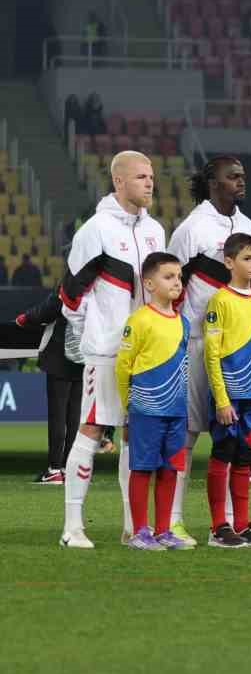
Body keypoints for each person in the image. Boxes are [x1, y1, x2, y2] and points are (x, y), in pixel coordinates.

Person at [60, 150, 166, 550]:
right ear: (119, 181)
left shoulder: (156, 231)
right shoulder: (96, 230)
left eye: (151, 176)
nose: (149, 183)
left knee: (132, 437)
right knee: (90, 429)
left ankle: (131, 527)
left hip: (147, 355)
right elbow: (71, 295)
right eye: (141, 177)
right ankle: (72, 527)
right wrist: (97, 336)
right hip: (106, 352)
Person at [168, 155, 251, 542]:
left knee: (235, 439)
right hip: (195, 344)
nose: (241, 181)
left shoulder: (249, 226)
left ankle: (228, 525)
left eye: (243, 175)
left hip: (238, 353)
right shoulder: (192, 229)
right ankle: (172, 519)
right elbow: (172, 284)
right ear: (212, 182)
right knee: (187, 435)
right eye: (232, 176)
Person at [200, 233, 251, 548]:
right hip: (229, 399)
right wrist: (221, 398)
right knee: (223, 455)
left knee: (246, 459)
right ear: (229, 262)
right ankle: (218, 527)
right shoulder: (220, 300)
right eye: (247, 258)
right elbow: (211, 352)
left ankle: (242, 525)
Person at [114, 253, 189, 550]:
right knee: (143, 468)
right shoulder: (139, 320)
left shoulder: (183, 321)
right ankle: (139, 532)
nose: (176, 282)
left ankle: (163, 530)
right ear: (148, 283)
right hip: (146, 408)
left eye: (179, 277)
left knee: (170, 469)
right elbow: (123, 367)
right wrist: (128, 408)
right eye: (168, 277)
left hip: (176, 410)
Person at [15, 287, 83, 484]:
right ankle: (69, 468)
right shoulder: (96, 287)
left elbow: (47, 309)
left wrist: (24, 319)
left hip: (60, 355)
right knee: (74, 416)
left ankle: (54, 469)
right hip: (83, 355)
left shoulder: (71, 285)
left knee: (58, 415)